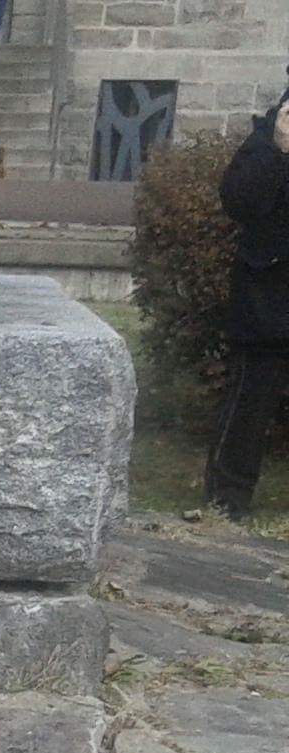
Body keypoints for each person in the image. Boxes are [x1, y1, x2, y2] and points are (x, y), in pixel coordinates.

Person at [203, 88, 289, 521]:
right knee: (249, 404)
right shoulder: (267, 137)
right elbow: (240, 202)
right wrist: (277, 150)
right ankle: (225, 502)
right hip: (270, 298)